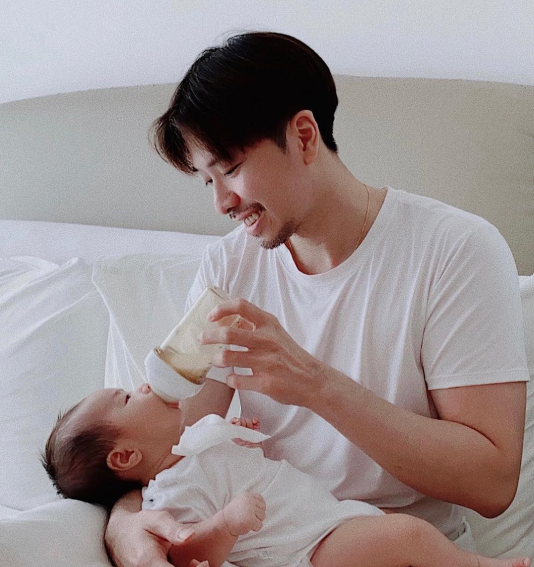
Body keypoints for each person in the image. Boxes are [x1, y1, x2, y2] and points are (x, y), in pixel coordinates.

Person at [105, 31, 529, 567]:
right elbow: (165, 446)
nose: (221, 203)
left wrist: (315, 384)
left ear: (304, 136)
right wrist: (125, 525)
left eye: (229, 169)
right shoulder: (228, 269)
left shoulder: (455, 251)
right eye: (207, 180)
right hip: (273, 549)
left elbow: (492, 484)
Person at [43, 383, 531, 567]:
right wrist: (226, 524)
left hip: (327, 518)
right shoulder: (171, 493)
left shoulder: (195, 441)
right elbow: (189, 554)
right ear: (126, 457)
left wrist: (241, 435)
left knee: (397, 537)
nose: (145, 386)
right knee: (408, 534)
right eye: (128, 398)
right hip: (302, 551)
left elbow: (235, 450)